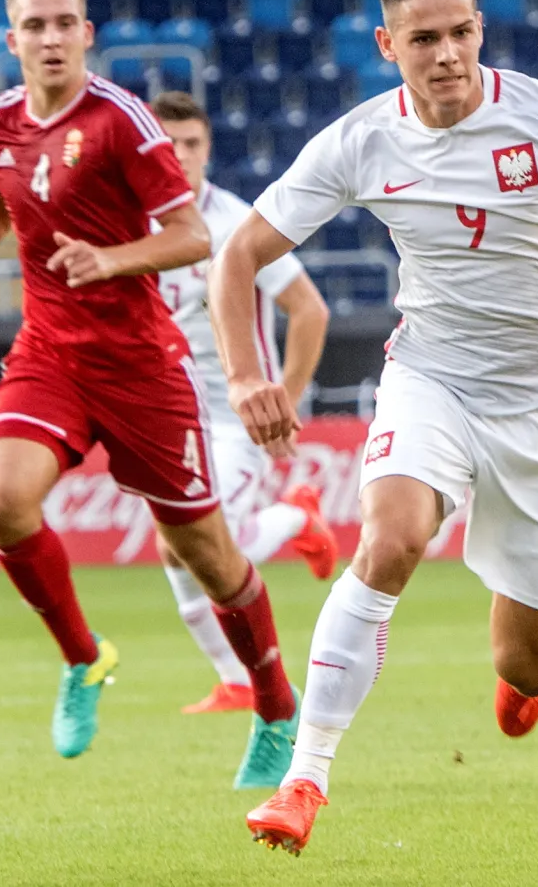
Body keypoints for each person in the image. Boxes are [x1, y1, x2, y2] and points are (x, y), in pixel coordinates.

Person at [209, 0, 538, 856]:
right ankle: (305, 778)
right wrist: (246, 373)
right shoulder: (361, 140)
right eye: (424, 38)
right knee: (390, 539)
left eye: (462, 32)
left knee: (525, 665)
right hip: (431, 374)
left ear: (481, 31)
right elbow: (238, 255)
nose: (446, 54)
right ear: (386, 43)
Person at [0, 0, 300, 786]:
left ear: (87, 34)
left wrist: (114, 259)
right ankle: (83, 658)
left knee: (210, 556)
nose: (51, 40)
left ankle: (274, 706)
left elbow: (193, 236)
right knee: (2, 500)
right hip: (49, 354)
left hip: (140, 365)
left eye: (64, 25)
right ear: (10, 39)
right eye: (34, 27)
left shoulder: (124, 122)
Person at [150, 91, 340, 715]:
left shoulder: (235, 223)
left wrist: (284, 397)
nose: (179, 156)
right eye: (167, 143)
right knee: (172, 548)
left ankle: (296, 519)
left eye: (192, 144)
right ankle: (234, 679)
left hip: (235, 417)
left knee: (212, 537)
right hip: (169, 415)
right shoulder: (132, 226)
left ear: (208, 148)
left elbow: (309, 309)